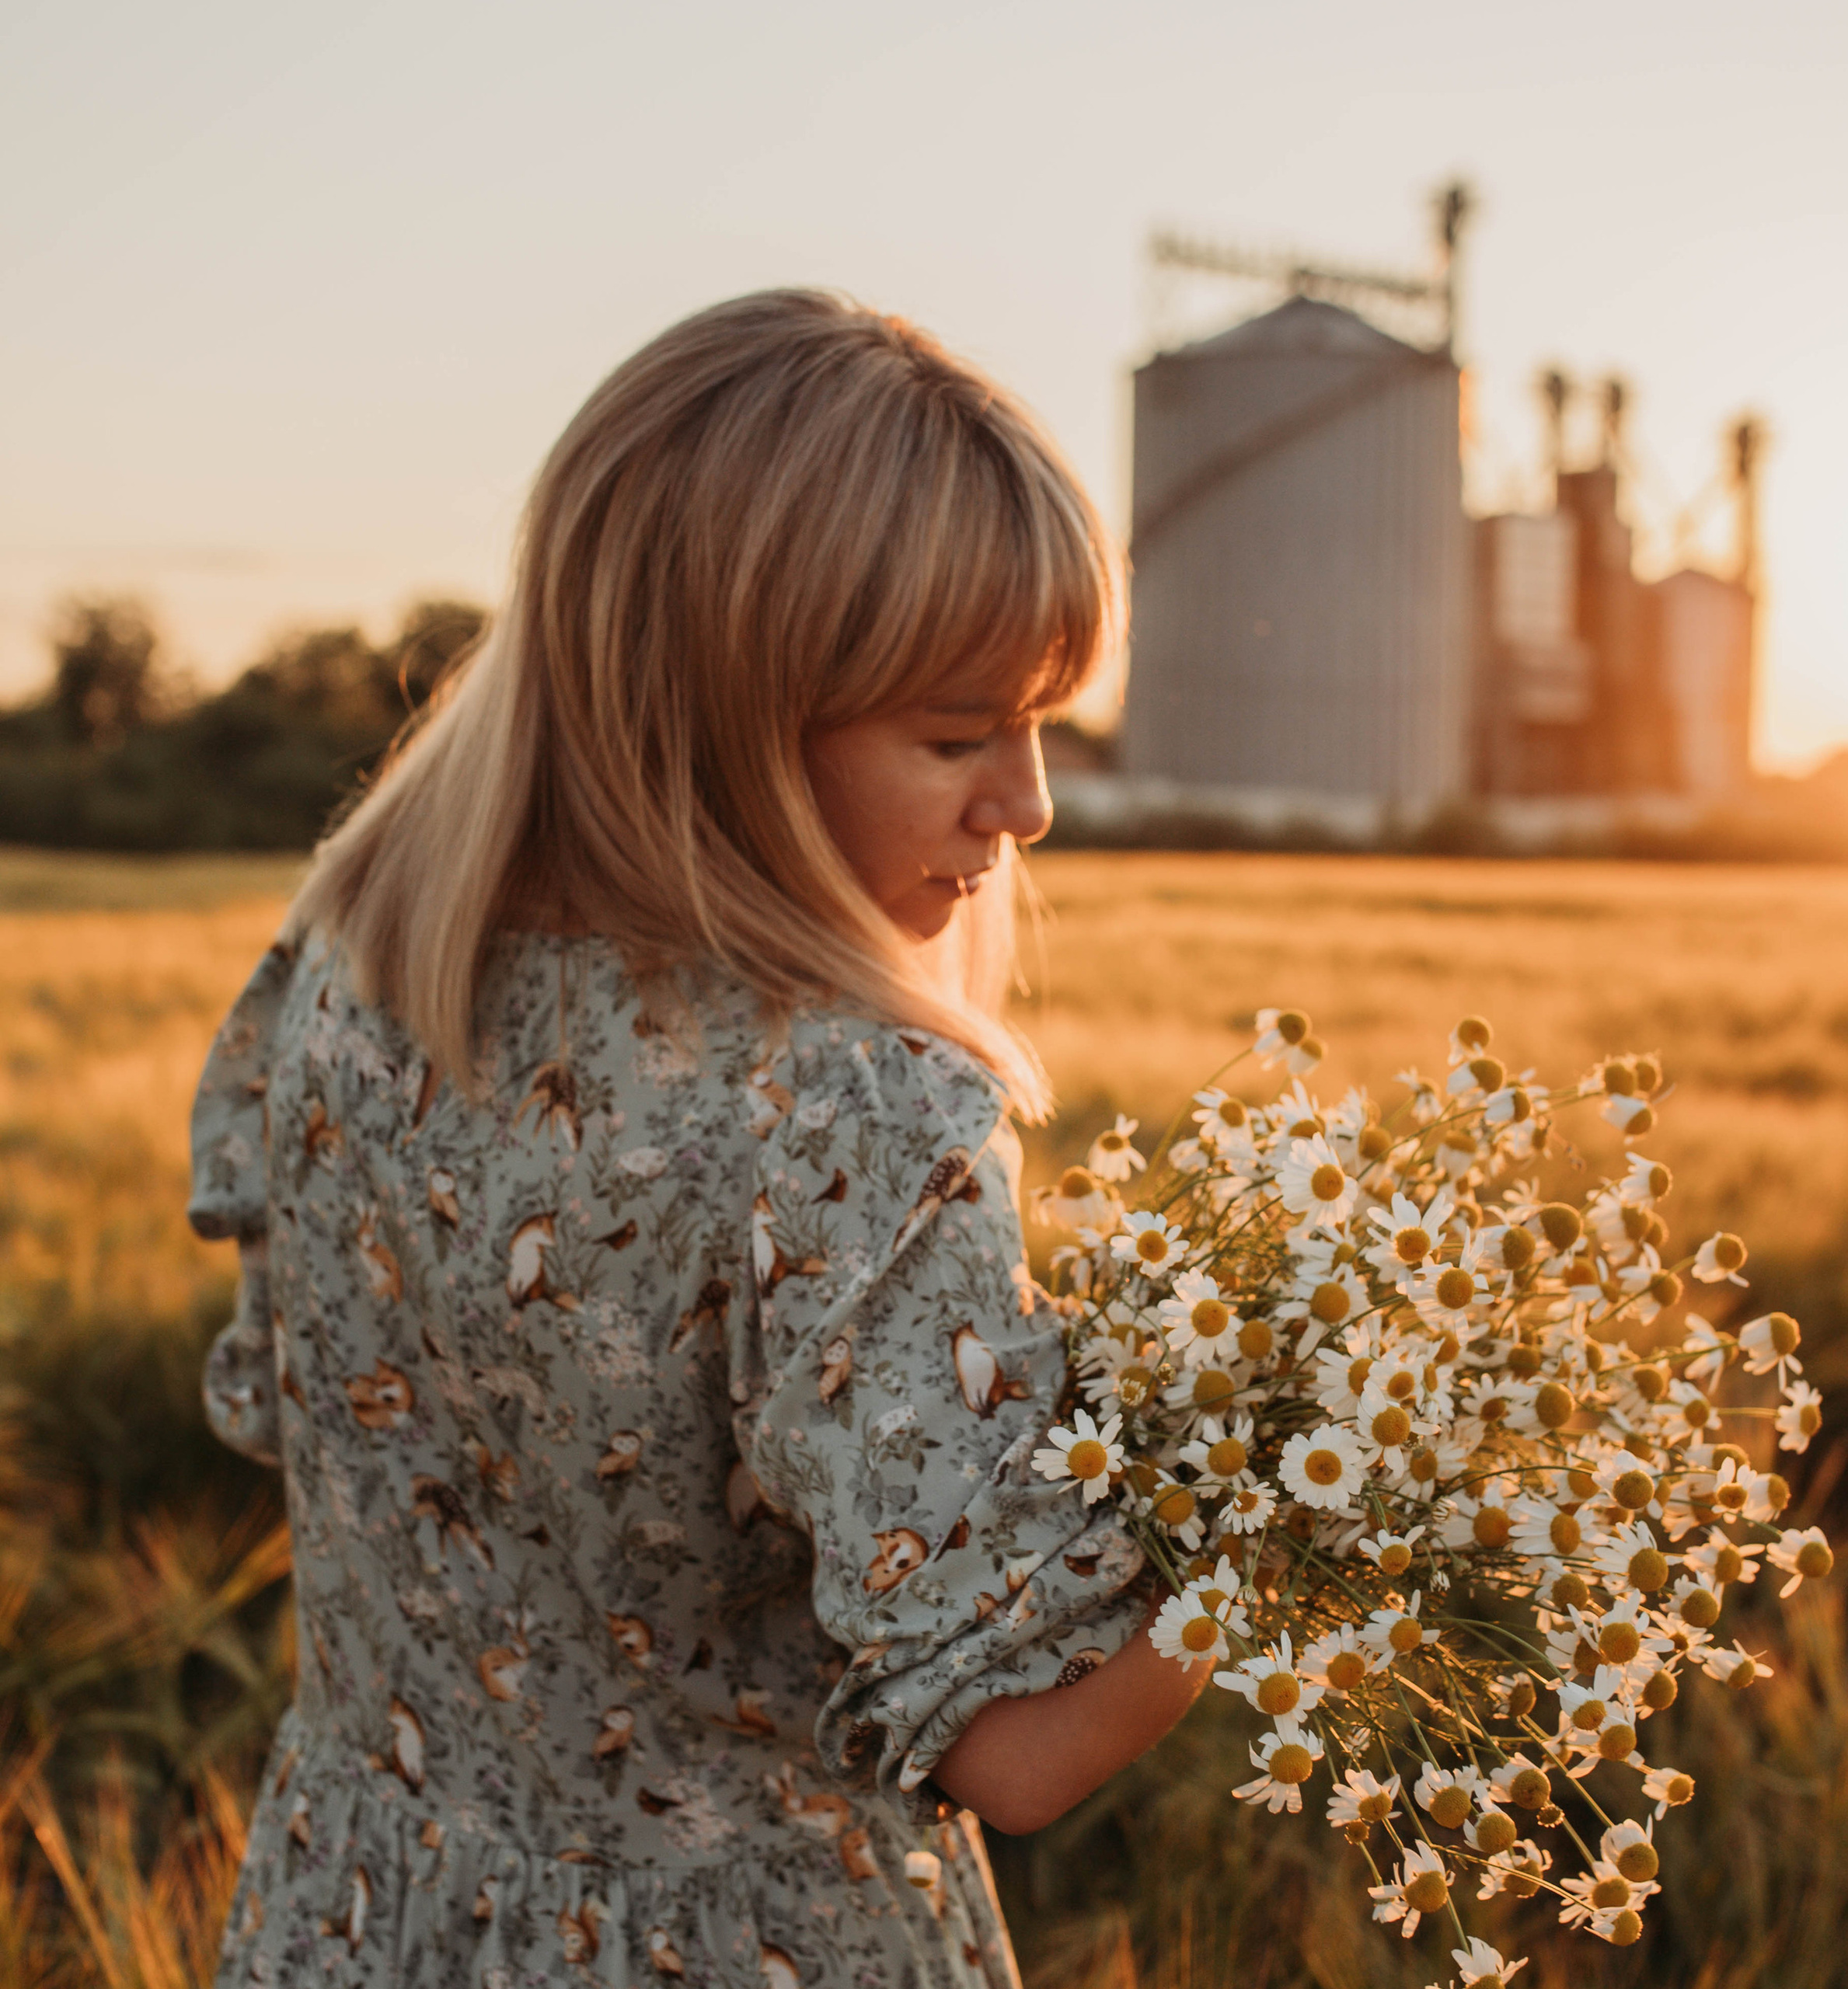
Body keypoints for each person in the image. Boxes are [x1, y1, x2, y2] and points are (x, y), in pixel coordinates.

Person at [188, 290, 1211, 1988]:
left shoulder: (347, 957)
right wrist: (1326, 1510)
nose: (1025, 803)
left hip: (358, 1911)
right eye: (955, 729)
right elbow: (1019, 1747)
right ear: (716, 714)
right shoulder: (857, 1108)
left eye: (1040, 722)